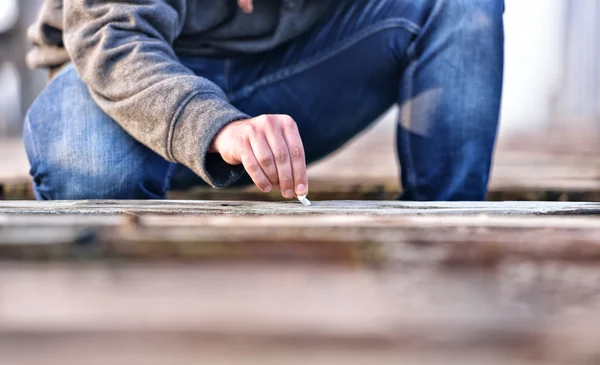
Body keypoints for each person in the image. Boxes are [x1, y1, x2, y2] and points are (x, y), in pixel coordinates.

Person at [23, 0, 504, 201]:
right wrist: (214, 125)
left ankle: (446, 249)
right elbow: (112, 35)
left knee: (462, 6)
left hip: (290, 77)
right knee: (90, 168)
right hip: (130, 78)